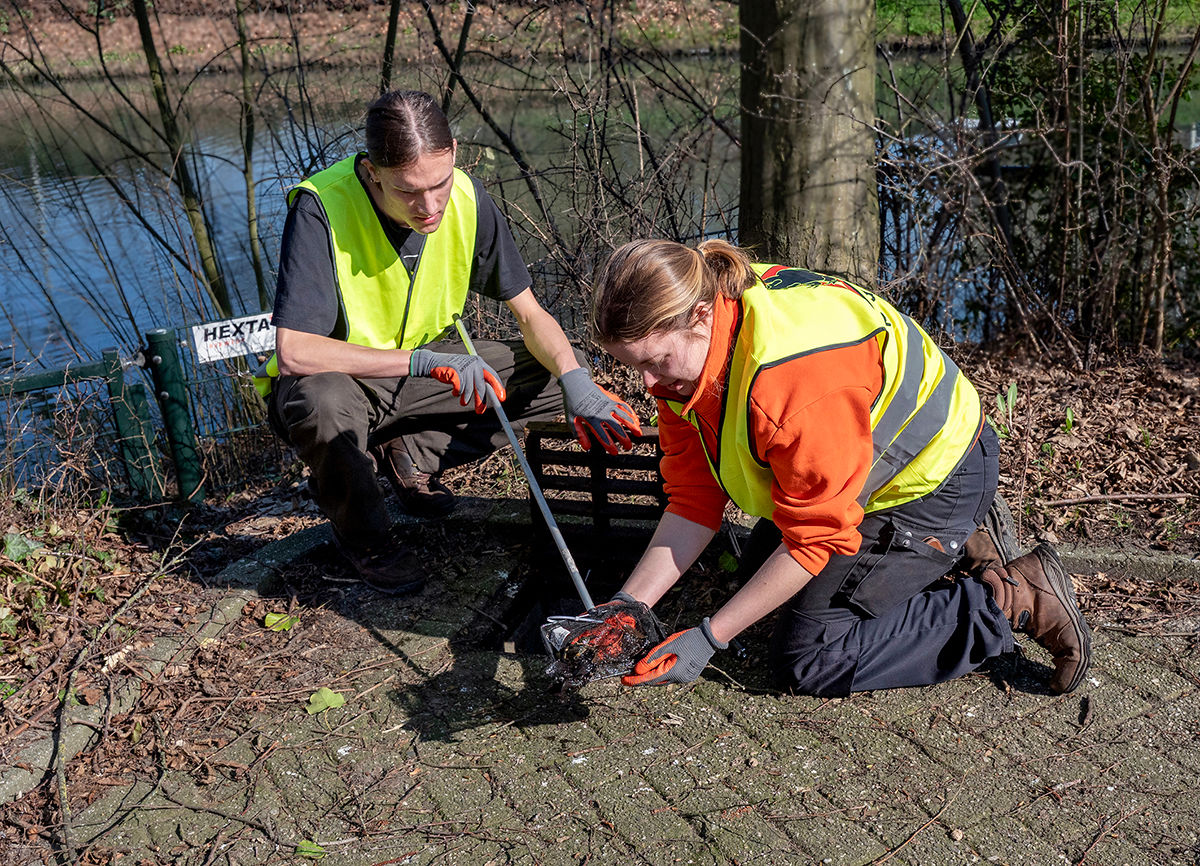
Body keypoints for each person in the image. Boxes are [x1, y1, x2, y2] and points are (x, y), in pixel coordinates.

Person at [586, 238, 1091, 696]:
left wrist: (708, 638)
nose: (649, 384)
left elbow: (812, 540)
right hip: (863, 465)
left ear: (698, 315)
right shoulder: (700, 336)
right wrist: (628, 606)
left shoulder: (788, 379)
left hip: (934, 475)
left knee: (808, 660)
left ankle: (1004, 596)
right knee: (759, 578)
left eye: (657, 362)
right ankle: (953, 547)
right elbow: (695, 499)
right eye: (636, 367)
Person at [259, 90, 639, 594]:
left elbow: (529, 313)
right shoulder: (321, 209)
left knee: (545, 370)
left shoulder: (466, 198)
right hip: (337, 385)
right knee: (323, 401)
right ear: (373, 172)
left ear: (454, 153)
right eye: (408, 191)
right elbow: (294, 352)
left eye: (438, 184)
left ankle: (412, 453)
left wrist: (577, 380)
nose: (429, 204)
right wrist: (420, 361)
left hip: (414, 380)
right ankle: (366, 538)